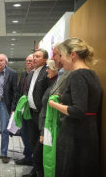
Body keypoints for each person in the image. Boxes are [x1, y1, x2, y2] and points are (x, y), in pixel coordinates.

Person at [48, 38, 102, 177]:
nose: (59, 60)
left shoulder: (77, 75)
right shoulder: (92, 74)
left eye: (61, 56)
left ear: (73, 55)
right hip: (88, 133)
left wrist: (54, 105)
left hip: (75, 136)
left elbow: (78, 110)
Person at [23, 49, 50, 177]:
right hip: (31, 114)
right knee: (33, 142)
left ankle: (41, 171)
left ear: (45, 59)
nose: (34, 59)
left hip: (41, 114)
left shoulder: (47, 72)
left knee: (41, 145)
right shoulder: (31, 73)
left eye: (37, 57)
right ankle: (35, 170)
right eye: (34, 56)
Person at [15, 54, 34, 166]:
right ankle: (27, 156)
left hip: (32, 110)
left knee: (31, 134)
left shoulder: (39, 74)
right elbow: (19, 90)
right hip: (22, 108)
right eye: (27, 61)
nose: (29, 63)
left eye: (31, 61)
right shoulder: (23, 74)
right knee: (24, 133)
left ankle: (32, 157)